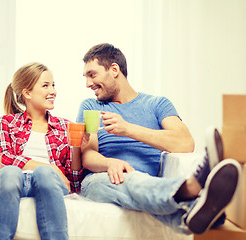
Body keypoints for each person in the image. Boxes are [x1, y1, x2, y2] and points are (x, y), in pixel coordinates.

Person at [76, 43, 241, 235]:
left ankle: (193, 217)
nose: (88, 84)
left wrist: (128, 129)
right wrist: (110, 163)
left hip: (148, 182)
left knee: (139, 183)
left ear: (114, 70)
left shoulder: (157, 104)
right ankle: (190, 188)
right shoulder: (90, 106)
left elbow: (185, 143)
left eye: (92, 74)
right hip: (101, 180)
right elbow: (88, 156)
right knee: (121, 181)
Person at [0, 62, 87, 240]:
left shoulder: (64, 125)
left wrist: (77, 148)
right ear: (27, 93)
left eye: (53, 85)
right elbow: (3, 158)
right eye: (45, 85)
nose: (53, 91)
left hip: (49, 182)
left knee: (43, 173)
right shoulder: (6, 122)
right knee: (10, 173)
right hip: (18, 180)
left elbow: (74, 182)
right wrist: (52, 167)